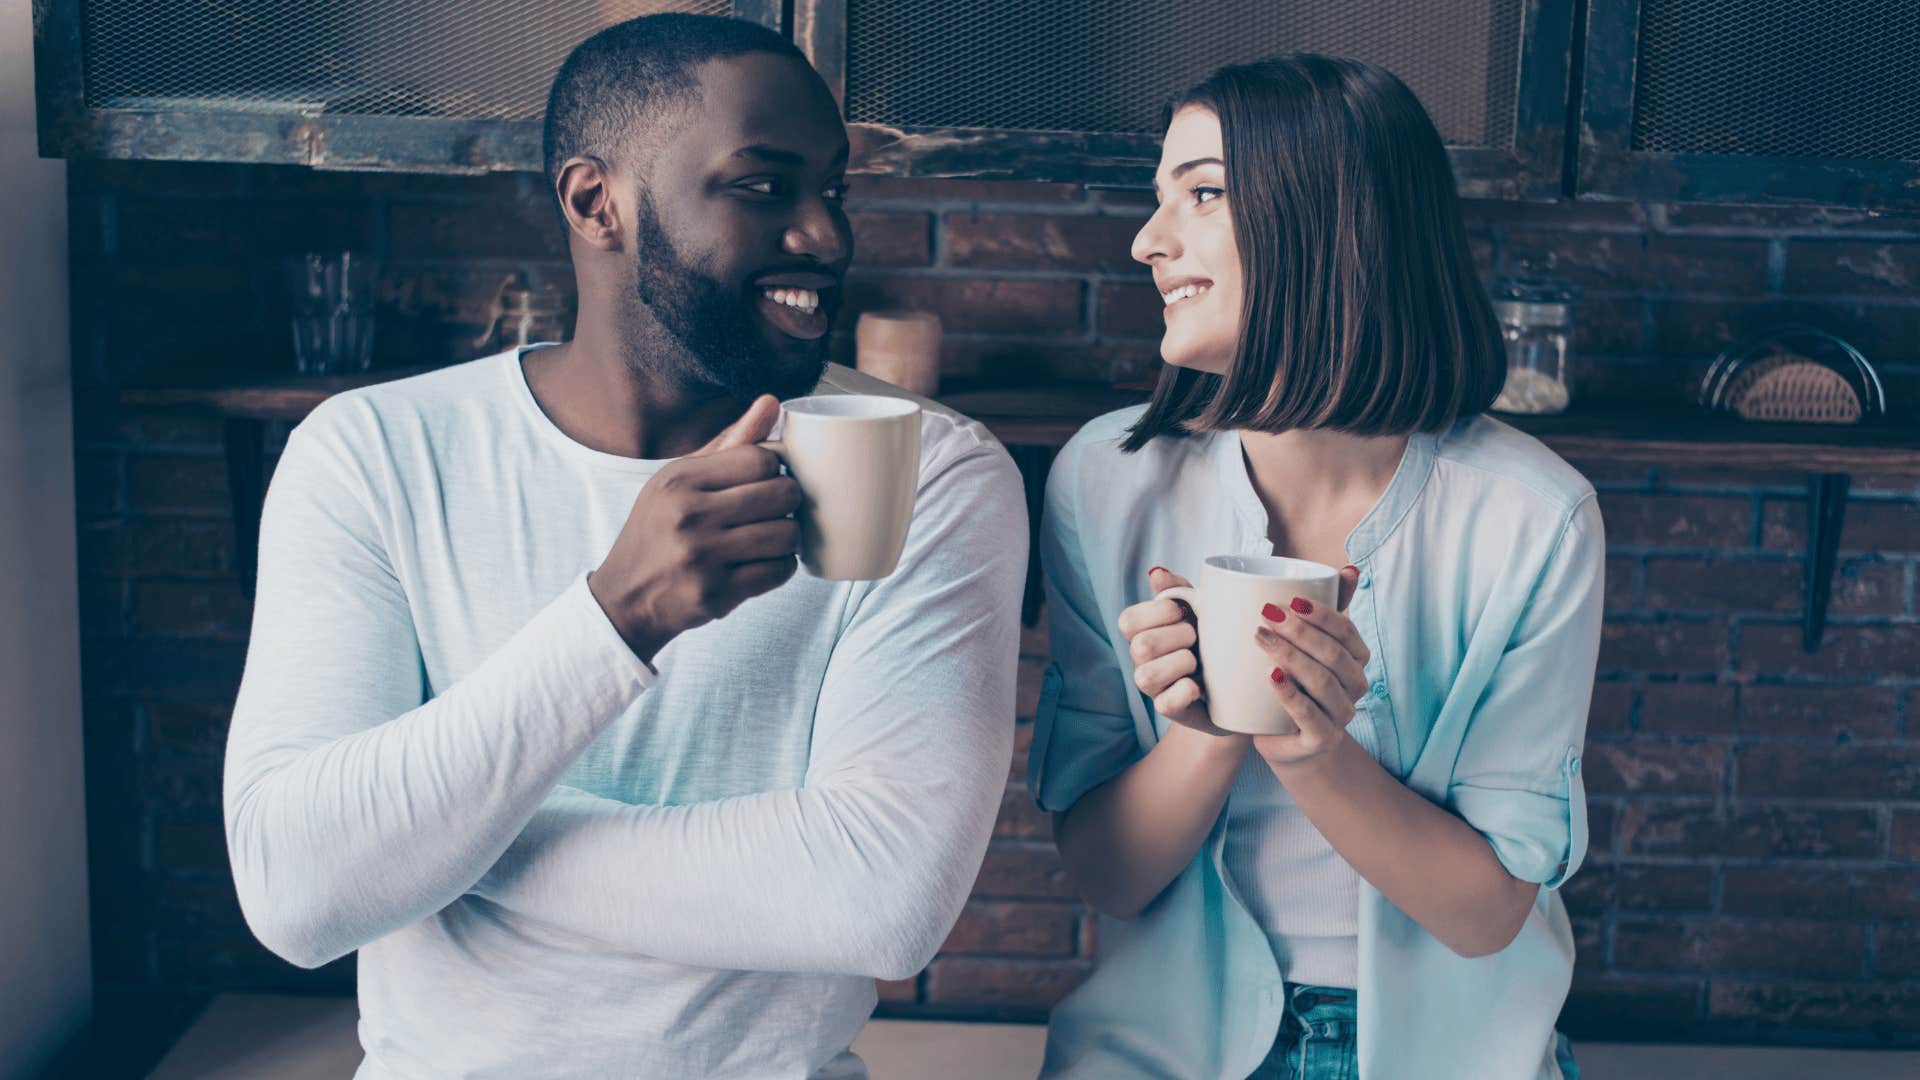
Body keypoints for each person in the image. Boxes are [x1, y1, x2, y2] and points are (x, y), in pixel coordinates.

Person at [222, 15, 1026, 1078]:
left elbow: (880, 900)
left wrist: (435, 844)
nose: (827, 236)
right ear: (596, 202)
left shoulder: (929, 470)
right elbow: (297, 894)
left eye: (834, 189)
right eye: (763, 186)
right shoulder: (372, 454)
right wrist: (614, 619)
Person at [1030, 55, 1601, 1079]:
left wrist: (1311, 750)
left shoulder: (1534, 517)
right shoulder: (1103, 484)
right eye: (1160, 198)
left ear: (1332, 222)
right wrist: (1204, 736)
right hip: (1160, 1049)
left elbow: (1484, 918)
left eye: (1201, 194)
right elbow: (1108, 877)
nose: (1147, 241)